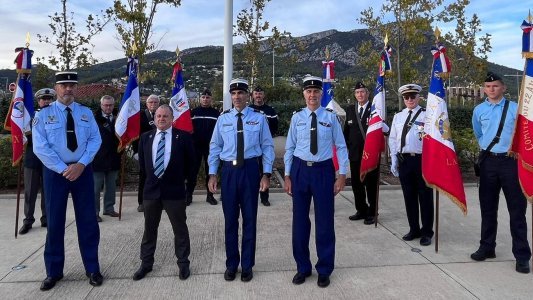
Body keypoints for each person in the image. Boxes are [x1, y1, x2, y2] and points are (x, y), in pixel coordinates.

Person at [32, 71, 103, 291]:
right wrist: (65, 169)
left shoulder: (85, 113)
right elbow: (40, 147)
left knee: (88, 222)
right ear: (56, 88)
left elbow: (95, 139)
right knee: (54, 223)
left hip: (82, 171)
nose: (68, 89)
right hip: (56, 174)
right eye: (64, 85)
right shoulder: (43, 115)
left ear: (76, 88)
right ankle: (53, 271)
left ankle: (92, 269)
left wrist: (81, 164)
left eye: (72, 85)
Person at [284, 75, 349, 288]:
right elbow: (290, 148)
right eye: (308, 91)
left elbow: (340, 146)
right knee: (300, 222)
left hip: (323, 171)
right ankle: (302, 267)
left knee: (324, 223)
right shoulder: (297, 118)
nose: (312, 95)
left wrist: (342, 175)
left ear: (322, 94)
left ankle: (324, 269)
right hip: (300, 170)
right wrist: (287, 175)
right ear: (303, 94)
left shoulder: (330, 117)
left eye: (316, 91)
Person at [208, 78, 274, 282]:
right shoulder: (223, 119)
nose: (237, 97)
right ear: (231, 96)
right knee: (230, 221)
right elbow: (215, 147)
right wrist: (212, 173)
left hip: (250, 170)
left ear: (248, 95)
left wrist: (266, 174)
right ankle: (231, 264)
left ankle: (247, 265)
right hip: (229, 172)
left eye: (241, 93)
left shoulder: (259, 118)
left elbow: (267, 146)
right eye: (233, 94)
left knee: (250, 219)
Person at [470, 72, 531, 274]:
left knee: (517, 211)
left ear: (504, 88)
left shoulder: (515, 109)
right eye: (488, 86)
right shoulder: (479, 110)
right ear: (484, 89)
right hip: (488, 162)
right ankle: (487, 247)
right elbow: (479, 133)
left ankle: (522, 256)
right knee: (488, 208)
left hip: (511, 162)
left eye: (495, 86)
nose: (492, 89)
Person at [132, 105, 195, 281]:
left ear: (172, 118)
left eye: (165, 116)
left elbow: (191, 166)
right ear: (155, 118)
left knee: (180, 230)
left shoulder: (183, 138)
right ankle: (146, 264)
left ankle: (183, 264)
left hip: (174, 193)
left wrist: (188, 190)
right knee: (149, 231)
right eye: (159, 116)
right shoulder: (145, 138)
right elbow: (144, 169)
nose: (161, 119)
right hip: (151, 193)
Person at [389, 84, 433, 246]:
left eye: (412, 96)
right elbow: (393, 139)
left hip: (422, 160)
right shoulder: (398, 117)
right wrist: (394, 159)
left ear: (418, 97)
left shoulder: (427, 115)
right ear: (403, 99)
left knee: (425, 197)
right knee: (409, 196)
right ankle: (414, 228)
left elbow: (433, 139)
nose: (409, 100)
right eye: (406, 97)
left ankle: (427, 232)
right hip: (404, 161)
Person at [18, 88, 54, 235]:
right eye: (43, 99)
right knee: (30, 192)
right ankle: (28, 220)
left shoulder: (57, 116)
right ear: (38, 101)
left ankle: (46, 218)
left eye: (49, 98)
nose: (46, 101)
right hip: (32, 160)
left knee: (48, 191)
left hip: (50, 161)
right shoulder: (29, 117)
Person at [343, 82, 379, 225]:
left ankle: (372, 212)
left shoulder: (375, 108)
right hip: (355, 155)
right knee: (357, 185)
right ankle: (361, 210)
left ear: (367, 93)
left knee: (370, 185)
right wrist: (347, 148)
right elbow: (347, 131)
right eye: (357, 92)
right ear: (355, 94)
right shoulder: (350, 109)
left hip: (369, 155)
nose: (360, 95)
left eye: (362, 92)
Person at [187, 88, 219, 206]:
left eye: (208, 97)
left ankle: (210, 196)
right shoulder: (193, 112)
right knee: (192, 173)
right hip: (195, 147)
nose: (205, 99)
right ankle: (188, 195)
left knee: (210, 172)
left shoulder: (216, 114)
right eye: (203, 97)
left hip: (210, 148)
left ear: (211, 99)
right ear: (200, 99)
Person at [249, 85, 279, 206]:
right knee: (251, 171)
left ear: (263, 95)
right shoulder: (248, 110)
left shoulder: (270, 111)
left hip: (265, 145)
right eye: (256, 93)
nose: (258, 96)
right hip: (252, 146)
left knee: (265, 171)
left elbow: (275, 127)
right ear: (252, 95)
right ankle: (251, 195)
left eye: (260, 93)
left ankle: (264, 197)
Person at [93, 95, 121, 222]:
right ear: (101, 105)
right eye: (106, 105)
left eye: (110, 105)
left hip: (114, 157)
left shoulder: (120, 118)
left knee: (111, 186)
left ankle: (109, 208)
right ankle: (94, 212)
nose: (108, 107)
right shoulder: (93, 119)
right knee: (95, 187)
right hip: (97, 158)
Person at [133, 94, 160, 212]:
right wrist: (135, 151)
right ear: (146, 104)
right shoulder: (140, 116)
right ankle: (142, 202)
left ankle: (158, 201)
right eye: (151, 102)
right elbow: (134, 134)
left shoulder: (162, 115)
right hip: (144, 151)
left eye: (155, 102)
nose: (153, 104)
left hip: (159, 151)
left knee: (159, 176)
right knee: (144, 177)